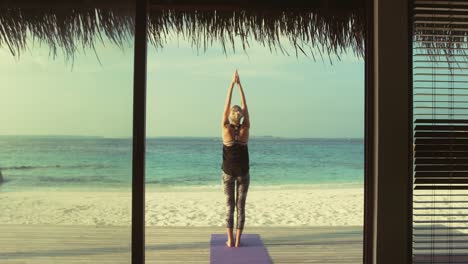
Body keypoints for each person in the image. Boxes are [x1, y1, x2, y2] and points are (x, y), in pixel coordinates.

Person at [221, 69, 250, 248]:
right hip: (243, 173)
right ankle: (238, 241)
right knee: (241, 206)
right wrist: (240, 86)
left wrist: (232, 84)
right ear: (241, 117)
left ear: (230, 116)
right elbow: (245, 107)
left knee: (229, 206)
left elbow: (226, 105)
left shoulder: (226, 130)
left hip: (228, 174)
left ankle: (230, 240)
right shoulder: (245, 129)